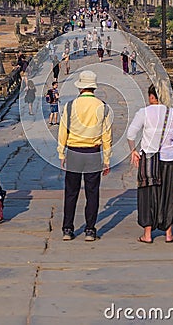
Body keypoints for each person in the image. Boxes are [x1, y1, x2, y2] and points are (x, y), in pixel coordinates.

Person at [58, 71, 112, 241]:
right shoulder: (102, 106)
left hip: (74, 151)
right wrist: (107, 158)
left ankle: (67, 229)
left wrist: (61, 152)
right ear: (93, 87)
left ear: (80, 87)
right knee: (92, 192)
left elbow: (63, 131)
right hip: (93, 153)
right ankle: (90, 229)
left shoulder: (70, 106)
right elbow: (106, 134)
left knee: (71, 192)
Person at [127, 84, 173, 244]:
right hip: (169, 159)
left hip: (150, 160)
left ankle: (147, 234)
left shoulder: (144, 112)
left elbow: (131, 134)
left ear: (152, 96)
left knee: (148, 194)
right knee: (169, 194)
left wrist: (134, 151)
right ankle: (168, 233)